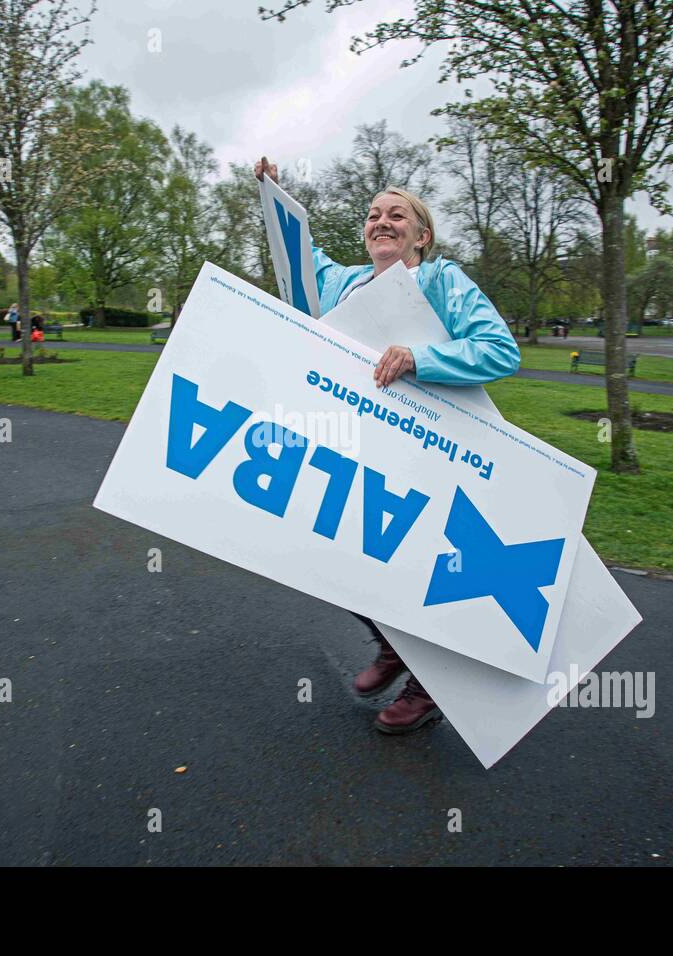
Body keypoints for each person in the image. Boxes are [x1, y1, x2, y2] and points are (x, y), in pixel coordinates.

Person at [254, 155, 521, 735]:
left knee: (420, 566)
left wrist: (419, 357)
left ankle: (429, 686)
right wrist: (274, 191)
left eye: (397, 215)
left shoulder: (443, 281)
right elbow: (301, 257)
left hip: (429, 451)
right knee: (341, 554)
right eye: (374, 214)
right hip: (359, 449)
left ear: (421, 236)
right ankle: (394, 645)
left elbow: (500, 350)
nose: (381, 221)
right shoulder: (343, 283)